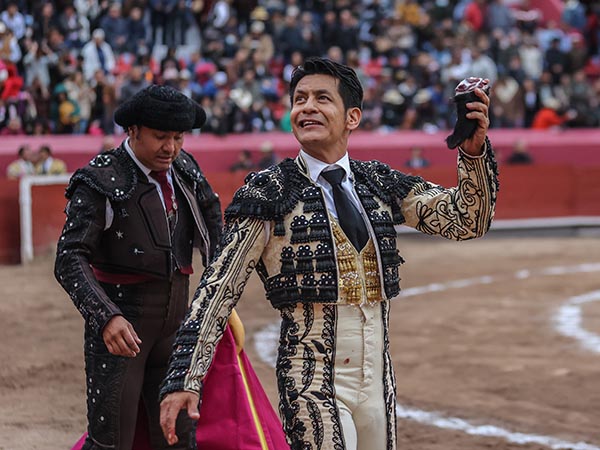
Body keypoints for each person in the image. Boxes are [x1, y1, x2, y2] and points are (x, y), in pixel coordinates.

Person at [159, 58, 498, 450]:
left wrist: (473, 154)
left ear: (352, 117)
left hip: (378, 381)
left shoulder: (378, 183)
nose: (307, 107)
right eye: (299, 99)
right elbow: (216, 292)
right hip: (311, 381)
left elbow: (466, 221)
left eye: (322, 98)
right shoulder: (268, 193)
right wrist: (185, 378)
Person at [54, 85, 223, 450]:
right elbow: (69, 257)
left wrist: (215, 294)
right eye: (161, 137)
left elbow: (213, 219)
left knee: (178, 440)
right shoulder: (101, 178)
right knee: (112, 441)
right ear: (132, 131)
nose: (171, 148)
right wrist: (105, 316)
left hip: (177, 327)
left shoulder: (184, 169)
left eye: (178, 137)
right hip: (123, 330)